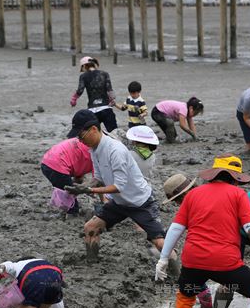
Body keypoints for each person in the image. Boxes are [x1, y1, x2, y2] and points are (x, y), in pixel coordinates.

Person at [155, 154, 250, 308]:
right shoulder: (238, 194)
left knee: (185, 295)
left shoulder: (192, 195)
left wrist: (163, 259)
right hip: (226, 262)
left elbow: (175, 228)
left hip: (193, 261)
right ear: (235, 178)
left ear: (214, 174)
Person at [63, 110, 171, 264]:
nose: (80, 140)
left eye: (81, 136)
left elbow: (118, 186)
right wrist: (83, 187)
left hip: (140, 202)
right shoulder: (94, 150)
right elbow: (99, 178)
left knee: (159, 242)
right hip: (119, 203)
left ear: (93, 129)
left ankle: (179, 273)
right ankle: (92, 262)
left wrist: (89, 190)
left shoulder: (116, 150)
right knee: (90, 227)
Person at [162, 173, 212, 308]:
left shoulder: (189, 207)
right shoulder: (208, 196)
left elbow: (175, 230)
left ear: (182, 196)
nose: (177, 205)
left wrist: (163, 258)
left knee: (192, 281)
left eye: (176, 201)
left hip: (200, 250)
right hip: (224, 245)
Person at [41, 138, 93, 215]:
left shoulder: (86, 143)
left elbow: (79, 176)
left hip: (47, 161)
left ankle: (63, 205)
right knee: (71, 202)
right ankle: (71, 215)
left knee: (66, 188)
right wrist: (104, 201)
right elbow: (99, 181)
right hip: (57, 165)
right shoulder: (98, 154)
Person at [70, 56, 118, 133]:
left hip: (93, 111)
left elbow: (80, 90)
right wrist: (112, 100)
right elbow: (110, 90)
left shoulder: (83, 76)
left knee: (94, 136)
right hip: (106, 109)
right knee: (114, 133)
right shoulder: (105, 74)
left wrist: (73, 100)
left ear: (84, 66)